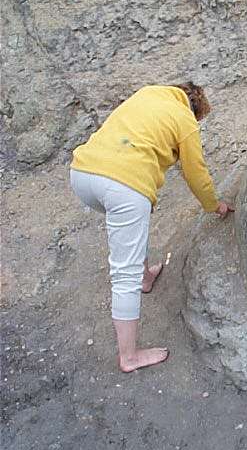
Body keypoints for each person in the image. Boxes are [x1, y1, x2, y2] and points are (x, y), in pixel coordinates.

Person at [69, 82, 233, 372]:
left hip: (83, 174)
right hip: (123, 184)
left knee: (131, 225)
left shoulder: (147, 94)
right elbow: (196, 174)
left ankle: (146, 277)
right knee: (124, 272)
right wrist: (214, 205)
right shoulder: (185, 121)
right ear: (196, 110)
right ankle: (129, 356)